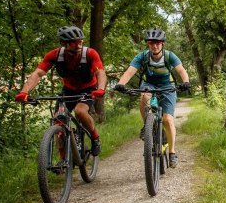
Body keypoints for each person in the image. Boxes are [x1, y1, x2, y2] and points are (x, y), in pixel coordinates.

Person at [15, 26, 107, 155]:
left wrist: (101, 89)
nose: (78, 45)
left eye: (80, 41)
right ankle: (63, 160)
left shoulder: (90, 53)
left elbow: (100, 72)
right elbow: (38, 74)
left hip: (88, 89)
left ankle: (95, 138)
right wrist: (24, 92)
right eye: (73, 42)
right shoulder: (55, 55)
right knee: (58, 121)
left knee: (80, 111)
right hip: (68, 90)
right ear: (63, 43)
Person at [114, 28, 190, 168]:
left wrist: (185, 82)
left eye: (157, 43)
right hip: (149, 84)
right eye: (151, 43)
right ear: (148, 44)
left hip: (167, 86)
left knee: (167, 119)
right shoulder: (142, 56)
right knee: (143, 95)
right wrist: (120, 83)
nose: (154, 46)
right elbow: (130, 71)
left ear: (162, 44)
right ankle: (147, 125)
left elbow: (181, 70)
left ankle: (172, 152)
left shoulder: (169, 56)